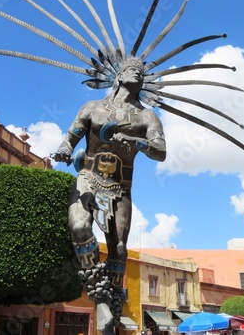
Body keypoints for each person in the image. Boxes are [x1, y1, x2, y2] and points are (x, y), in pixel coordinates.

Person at [53, 57, 166, 329]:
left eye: (141, 73)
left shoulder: (147, 116)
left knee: (118, 249)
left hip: (121, 186)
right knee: (79, 226)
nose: (138, 75)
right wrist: (65, 149)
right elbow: (70, 139)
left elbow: (160, 152)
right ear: (119, 74)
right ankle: (101, 298)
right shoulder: (92, 108)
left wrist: (136, 142)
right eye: (132, 70)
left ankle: (112, 310)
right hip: (88, 177)